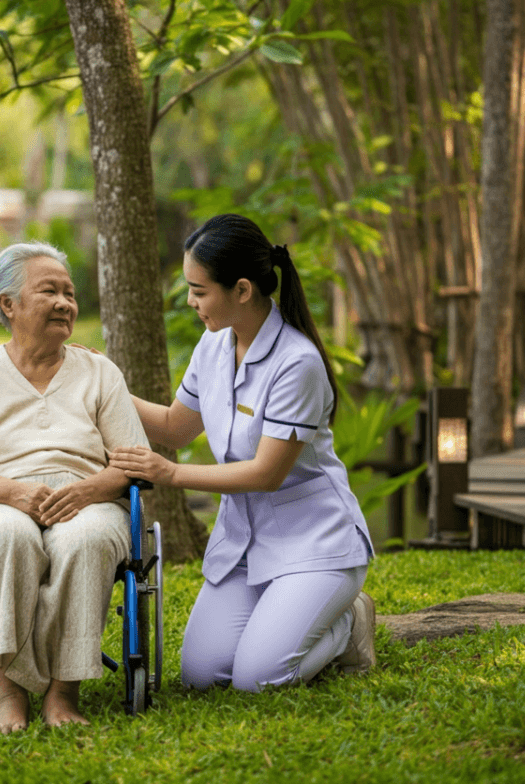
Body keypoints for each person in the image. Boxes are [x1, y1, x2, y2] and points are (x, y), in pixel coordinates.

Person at [109, 213, 376, 692]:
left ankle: (347, 626)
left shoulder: (297, 363)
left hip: (315, 545)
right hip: (245, 547)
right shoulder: (212, 346)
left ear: (243, 290)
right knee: (202, 675)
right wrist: (102, 387)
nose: (191, 301)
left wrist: (170, 475)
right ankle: (289, 621)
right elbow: (175, 427)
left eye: (199, 290)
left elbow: (267, 473)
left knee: (258, 680)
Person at [0, 242, 149, 733]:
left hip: (87, 497)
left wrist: (88, 491)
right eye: (49, 291)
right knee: (10, 536)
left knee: (84, 540)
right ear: (8, 304)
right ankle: (10, 694)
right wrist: (12, 493)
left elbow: (132, 463)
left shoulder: (101, 372)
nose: (65, 303)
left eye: (69, 293)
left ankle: (62, 694)